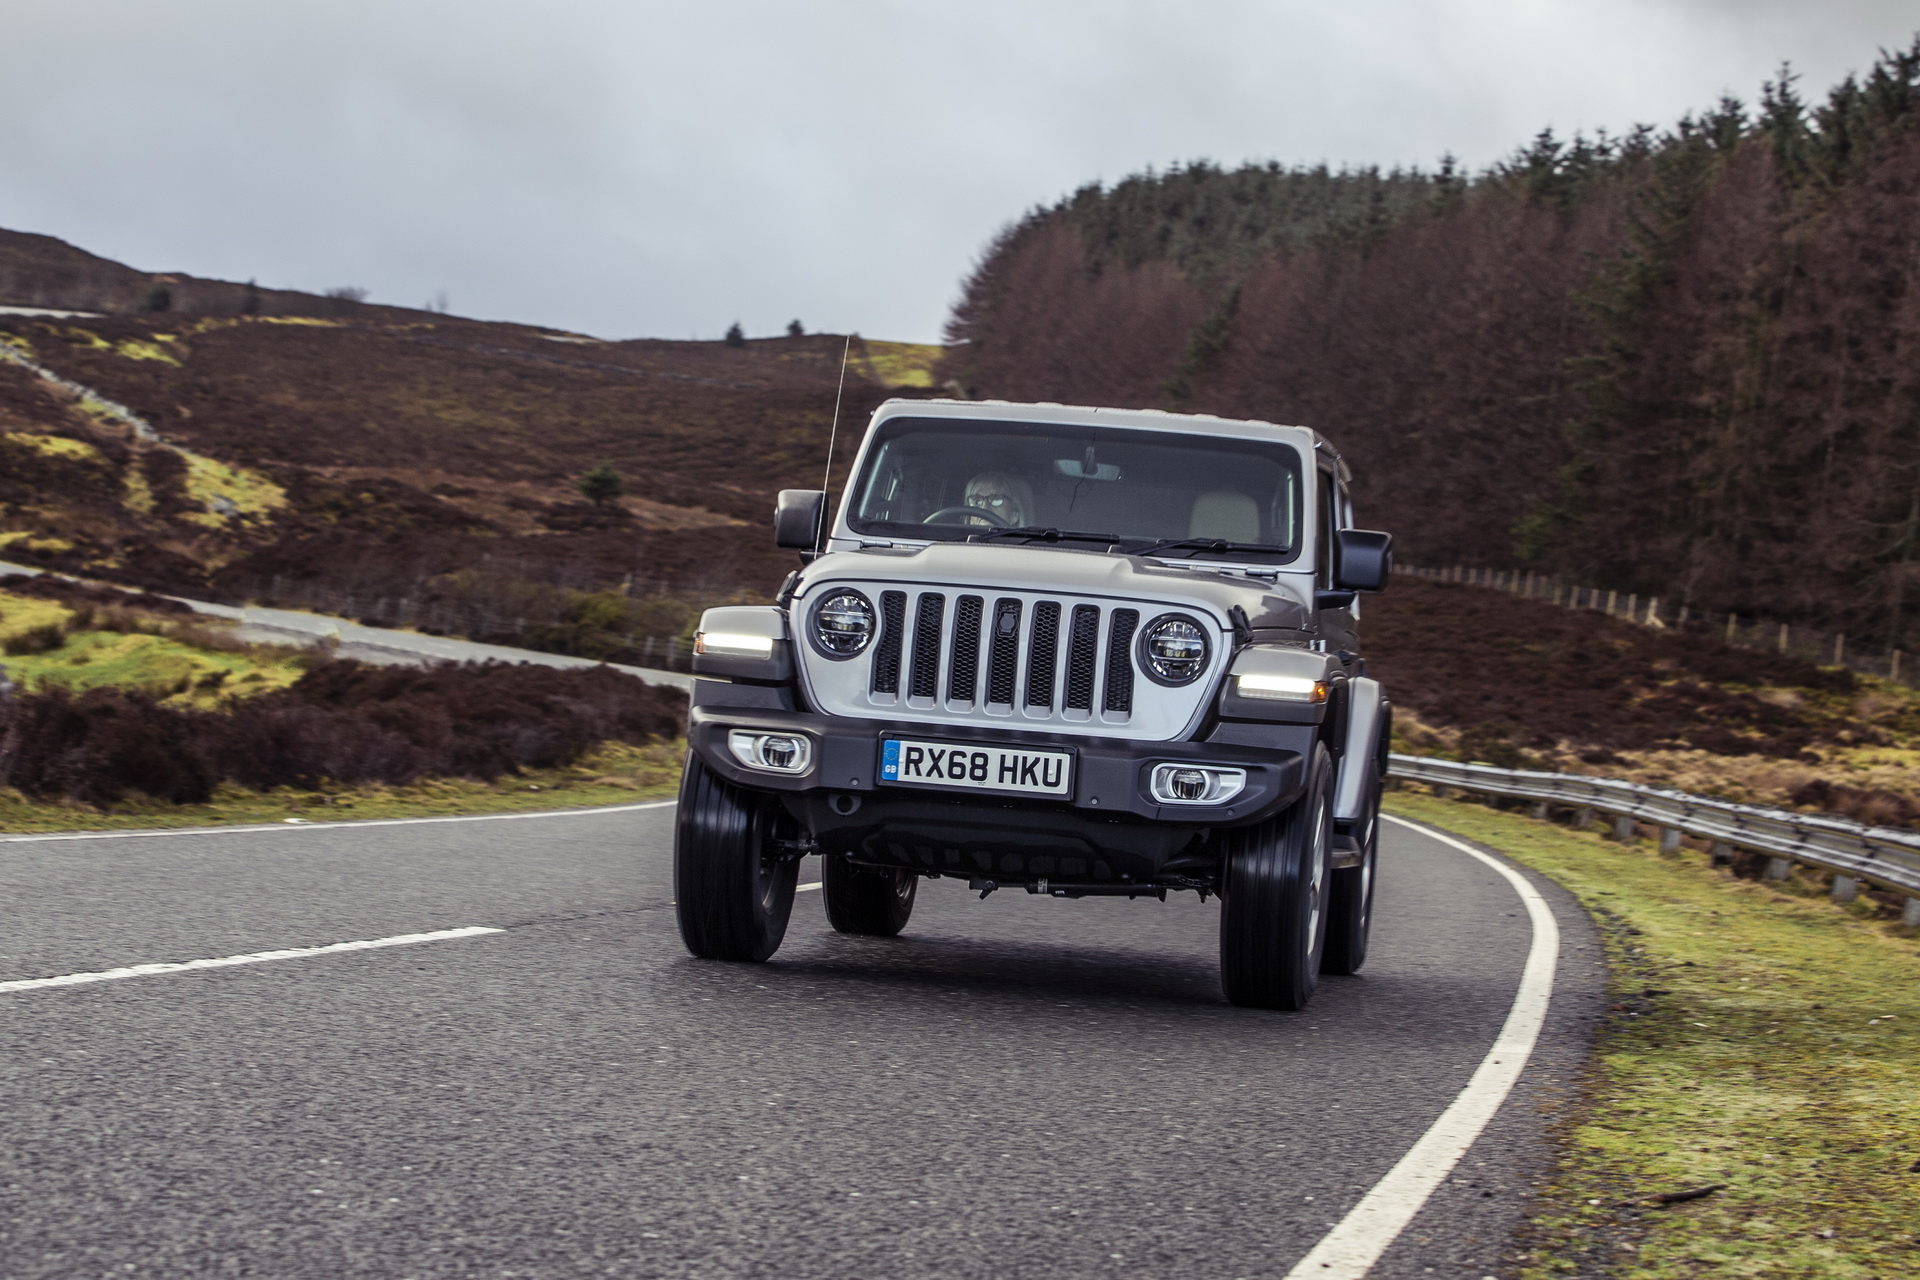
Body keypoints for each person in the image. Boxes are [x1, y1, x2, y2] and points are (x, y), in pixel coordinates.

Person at [961, 471, 1029, 527]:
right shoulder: (954, 543)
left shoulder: (1025, 544)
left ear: (1014, 515)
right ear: (969, 518)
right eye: (977, 502)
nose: (985, 508)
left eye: (996, 500)